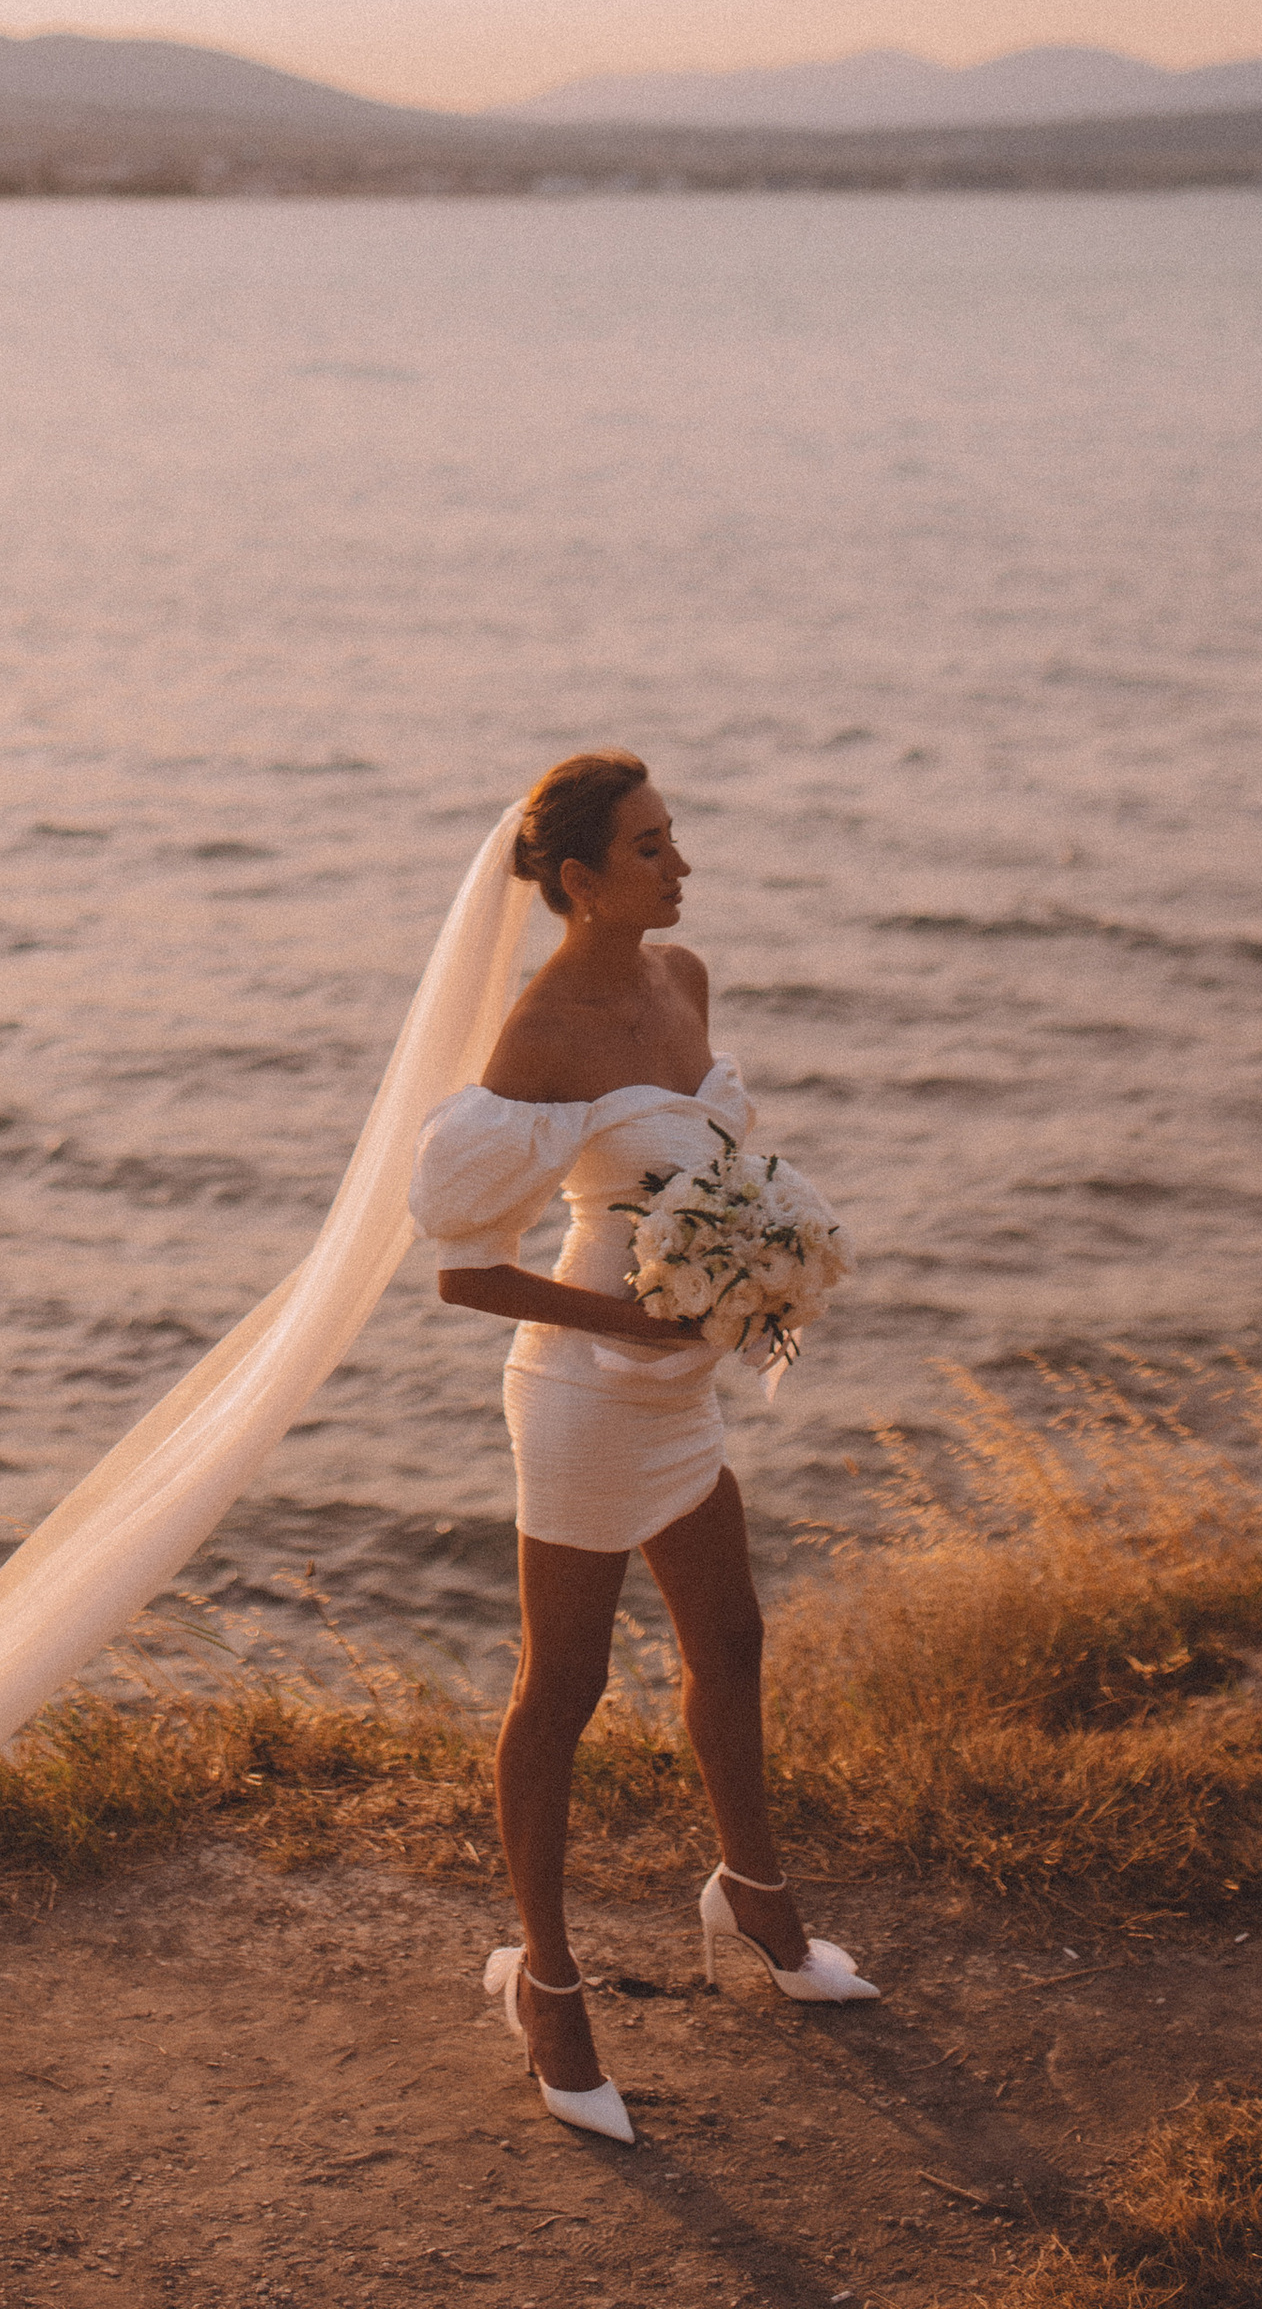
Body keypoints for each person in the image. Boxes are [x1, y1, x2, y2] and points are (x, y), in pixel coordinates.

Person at [408, 749, 877, 2144]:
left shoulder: (684, 983)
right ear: (580, 883)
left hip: (679, 1386)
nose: (683, 869)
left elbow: (712, 1170)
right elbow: (461, 1271)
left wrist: (748, 1270)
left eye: (678, 839)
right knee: (567, 1685)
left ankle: (756, 1902)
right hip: (579, 1392)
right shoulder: (539, 1039)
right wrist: (628, 1316)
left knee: (729, 1641)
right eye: (655, 850)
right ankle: (547, 1987)